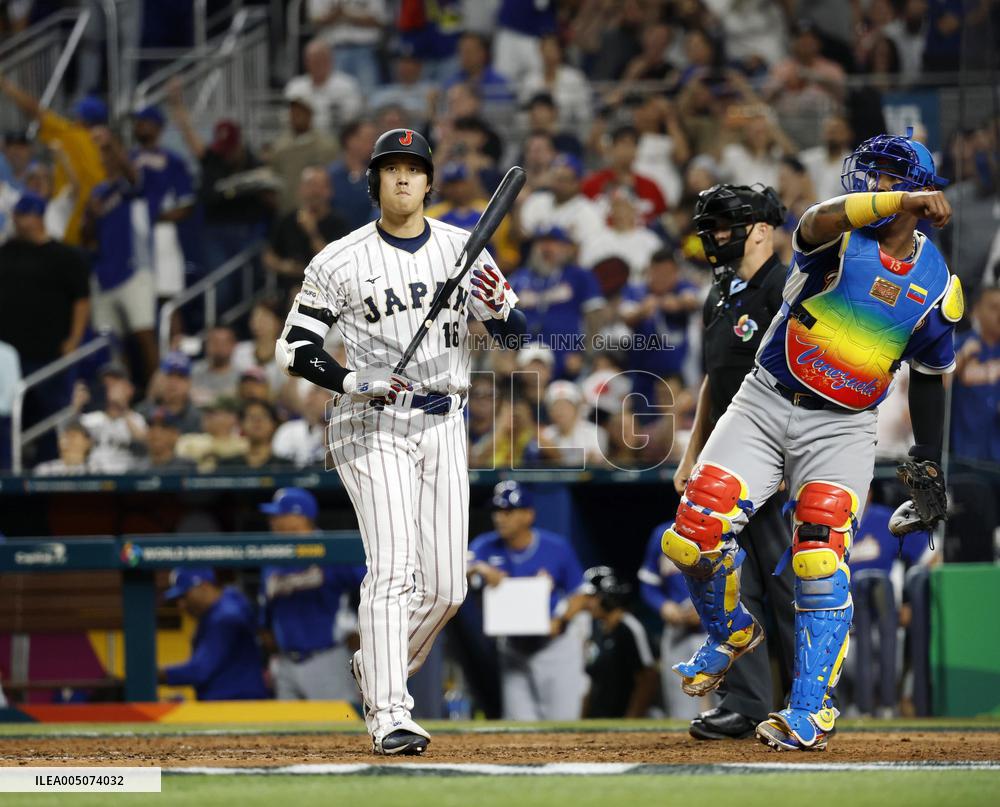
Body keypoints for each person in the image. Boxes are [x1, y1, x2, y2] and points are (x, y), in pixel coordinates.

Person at [659, 131, 959, 751]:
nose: (873, 184)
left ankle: (808, 710)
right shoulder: (836, 238)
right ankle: (730, 631)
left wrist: (928, 457)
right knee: (692, 533)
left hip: (844, 425)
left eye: (887, 176)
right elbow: (820, 216)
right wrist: (900, 198)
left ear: (919, 190)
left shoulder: (936, 281)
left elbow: (931, 375)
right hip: (766, 399)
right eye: (874, 174)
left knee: (820, 559)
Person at [273, 128, 526, 754]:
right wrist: (351, 380)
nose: (404, 177)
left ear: (429, 181)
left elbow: (516, 336)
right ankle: (389, 712)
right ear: (375, 181)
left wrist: (499, 308)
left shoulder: (463, 248)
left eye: (414, 168)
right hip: (371, 422)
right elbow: (294, 349)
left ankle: (376, 665)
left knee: (447, 588)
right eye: (392, 169)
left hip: (445, 420)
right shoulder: (339, 259)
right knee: (393, 568)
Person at [668, 184, 797, 741]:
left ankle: (806, 701)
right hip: (727, 461)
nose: (717, 237)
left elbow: (804, 376)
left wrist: (794, 458)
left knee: (790, 583)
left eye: (726, 227)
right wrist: (692, 453)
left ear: (763, 231)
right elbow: (712, 380)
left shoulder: (789, 288)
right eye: (712, 228)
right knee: (730, 581)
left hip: (775, 458)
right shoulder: (719, 293)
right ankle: (744, 704)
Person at [467, 481, 590, 721]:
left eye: (508, 511)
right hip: (513, 647)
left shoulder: (555, 547)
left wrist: (561, 619)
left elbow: (581, 593)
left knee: (562, 723)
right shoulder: (484, 547)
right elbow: (458, 569)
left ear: (528, 514)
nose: (500, 518)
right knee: (518, 727)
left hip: (554, 647)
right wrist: (479, 568)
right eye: (497, 511)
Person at [0, 193, 90, 463]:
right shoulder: (6, 252)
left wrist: (74, 339)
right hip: (7, 357)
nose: (17, 221)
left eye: (22, 215)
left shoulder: (65, 256)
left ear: (37, 217)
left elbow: (82, 300)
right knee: (8, 419)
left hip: (48, 354)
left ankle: (50, 469)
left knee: (52, 419)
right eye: (16, 216)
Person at [258, 487, 367, 700]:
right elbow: (265, 616)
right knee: (287, 723)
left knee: (339, 721)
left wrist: (362, 631)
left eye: (279, 515)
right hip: (286, 662)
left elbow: (374, 583)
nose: (272, 521)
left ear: (299, 518)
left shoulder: (332, 549)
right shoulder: (273, 558)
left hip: (327, 658)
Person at [83, 128, 158, 385]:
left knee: (144, 334)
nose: (104, 158)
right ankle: (123, 393)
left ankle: (156, 392)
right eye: (102, 154)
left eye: (108, 153)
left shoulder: (129, 183)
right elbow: (87, 238)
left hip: (134, 269)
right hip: (104, 273)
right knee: (112, 342)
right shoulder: (97, 193)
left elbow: (132, 175)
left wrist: (111, 143)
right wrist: (91, 216)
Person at [159, 568, 269, 700]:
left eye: (184, 596)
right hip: (231, 701)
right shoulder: (224, 604)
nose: (181, 605)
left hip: (237, 703)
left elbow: (199, 670)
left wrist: (151, 674)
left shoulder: (225, 616)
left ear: (204, 587)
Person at [509, 226, 605, 379]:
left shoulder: (580, 277)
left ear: (566, 248)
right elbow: (502, 319)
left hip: (568, 361)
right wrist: (506, 354)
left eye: (553, 243)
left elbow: (596, 320)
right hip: (525, 360)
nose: (546, 248)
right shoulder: (518, 278)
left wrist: (584, 355)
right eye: (542, 243)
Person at [638, 523, 708, 720]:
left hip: (717, 627)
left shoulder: (724, 528)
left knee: (722, 699)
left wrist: (707, 607)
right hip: (678, 630)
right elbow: (648, 585)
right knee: (680, 704)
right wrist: (663, 605)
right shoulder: (664, 533)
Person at [130, 105, 194, 304]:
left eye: (144, 122)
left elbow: (186, 204)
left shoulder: (173, 161)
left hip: (161, 233)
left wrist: (156, 217)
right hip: (131, 235)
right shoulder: (128, 159)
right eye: (137, 122)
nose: (139, 126)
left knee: (167, 297)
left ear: (158, 127)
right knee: (135, 296)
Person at [581, 565, 658, 718]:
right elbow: (594, 681)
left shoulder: (630, 628)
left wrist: (631, 720)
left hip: (622, 718)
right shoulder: (597, 628)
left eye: (593, 597)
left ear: (607, 596)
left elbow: (648, 677)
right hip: (598, 717)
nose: (588, 603)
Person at [263, 166, 351, 295]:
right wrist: (284, 266)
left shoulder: (339, 223)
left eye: (319, 186)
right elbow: (268, 255)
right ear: (301, 190)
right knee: (261, 309)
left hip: (324, 290)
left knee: (298, 295)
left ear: (329, 191)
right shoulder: (287, 219)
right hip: (287, 287)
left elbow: (332, 264)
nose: (314, 191)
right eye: (309, 185)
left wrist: (312, 232)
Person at [269, 91, 340, 216]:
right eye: (292, 112)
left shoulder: (327, 146)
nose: (295, 116)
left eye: (300, 112)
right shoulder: (280, 147)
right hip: (287, 213)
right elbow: (274, 178)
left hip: (319, 215)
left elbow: (333, 181)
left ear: (310, 114)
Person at [950, 285, 1000, 462]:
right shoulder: (961, 346)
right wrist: (962, 359)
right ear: (977, 310)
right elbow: (940, 385)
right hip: (963, 453)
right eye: (994, 307)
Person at [582, 125, 667, 226]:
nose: (627, 149)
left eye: (632, 144)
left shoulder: (651, 186)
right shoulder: (592, 184)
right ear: (611, 148)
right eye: (623, 144)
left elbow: (663, 220)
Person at [284, 38, 364, 134]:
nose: (318, 63)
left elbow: (352, 116)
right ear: (306, 62)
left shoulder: (347, 85)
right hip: (303, 136)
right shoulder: (295, 87)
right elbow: (287, 117)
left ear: (330, 60)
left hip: (337, 136)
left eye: (322, 59)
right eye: (313, 59)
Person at [79, 363, 148, 474]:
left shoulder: (136, 419)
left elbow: (145, 442)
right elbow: (68, 436)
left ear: (129, 389)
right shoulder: (93, 419)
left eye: (115, 385)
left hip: (126, 477)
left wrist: (123, 408)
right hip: (95, 477)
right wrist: (76, 407)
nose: (110, 390)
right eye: (107, 385)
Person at [538, 380, 607, 467]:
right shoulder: (546, 434)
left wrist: (554, 453)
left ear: (576, 408)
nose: (560, 411)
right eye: (555, 406)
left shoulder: (595, 433)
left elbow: (595, 464)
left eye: (565, 406)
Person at [327, 120, 378, 230]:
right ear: (350, 140)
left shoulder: (378, 175)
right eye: (368, 139)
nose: (374, 145)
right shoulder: (330, 175)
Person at [139, 352, 202, 434]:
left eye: (180, 377)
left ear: (189, 383)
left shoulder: (199, 419)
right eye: (169, 375)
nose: (173, 382)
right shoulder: (141, 414)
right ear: (158, 379)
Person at [190, 327, 240, 408]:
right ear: (206, 345)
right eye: (215, 342)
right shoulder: (193, 371)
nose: (219, 347)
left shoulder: (241, 377)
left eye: (224, 343)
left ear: (233, 345)